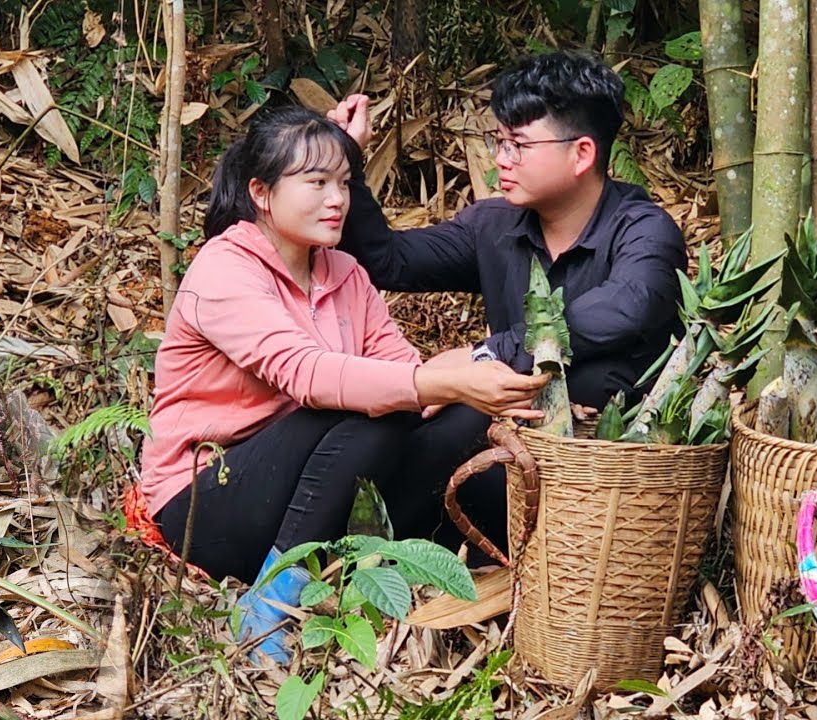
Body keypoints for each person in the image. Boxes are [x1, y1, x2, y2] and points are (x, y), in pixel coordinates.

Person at [137, 105, 548, 666]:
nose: (337, 200)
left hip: (315, 490)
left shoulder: (345, 273)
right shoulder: (225, 269)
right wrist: (438, 379)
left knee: (459, 415)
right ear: (261, 192)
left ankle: (483, 558)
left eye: (345, 183)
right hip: (207, 507)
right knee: (366, 411)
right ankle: (270, 599)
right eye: (317, 183)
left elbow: (399, 369)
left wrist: (468, 382)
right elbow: (307, 374)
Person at [327, 49, 687, 554]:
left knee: (486, 410)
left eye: (518, 144)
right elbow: (389, 261)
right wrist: (345, 161)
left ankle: (368, 552)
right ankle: (362, 553)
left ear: (582, 153)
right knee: (421, 420)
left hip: (612, 480)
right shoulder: (494, 225)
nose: (501, 159)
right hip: (506, 444)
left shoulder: (644, 229)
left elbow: (626, 308)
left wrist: (488, 354)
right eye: (500, 141)